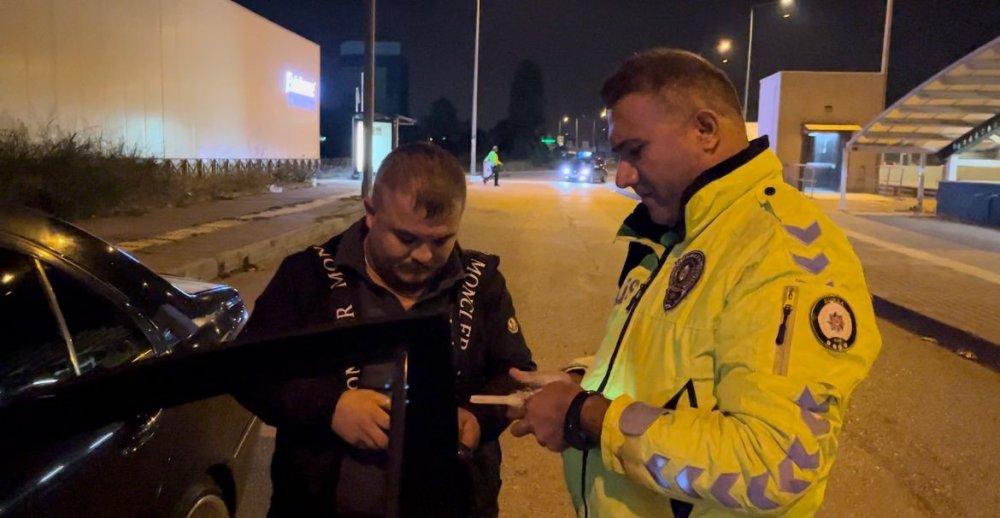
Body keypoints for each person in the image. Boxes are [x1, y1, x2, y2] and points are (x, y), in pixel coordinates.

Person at [507, 48, 882, 517]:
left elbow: (773, 465)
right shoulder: (681, 229)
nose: (622, 177)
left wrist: (585, 416)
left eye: (635, 151)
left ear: (705, 130)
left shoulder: (781, 251)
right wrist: (583, 382)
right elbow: (674, 365)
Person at [237, 142, 535, 517]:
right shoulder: (307, 276)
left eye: (442, 240)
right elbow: (250, 371)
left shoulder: (482, 283)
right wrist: (331, 407)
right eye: (407, 239)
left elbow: (515, 375)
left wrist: (478, 419)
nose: (425, 256)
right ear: (371, 213)